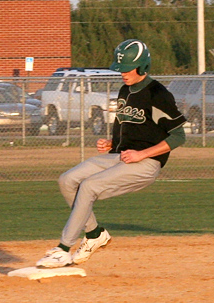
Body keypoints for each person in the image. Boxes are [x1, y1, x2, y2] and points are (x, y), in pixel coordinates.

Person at [37, 39, 187, 267]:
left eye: (128, 68)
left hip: (146, 163)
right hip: (120, 156)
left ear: (143, 67)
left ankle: (63, 248)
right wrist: (112, 143)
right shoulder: (125, 90)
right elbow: (135, 129)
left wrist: (142, 154)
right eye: (121, 69)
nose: (123, 73)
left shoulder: (158, 93)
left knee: (88, 186)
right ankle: (95, 234)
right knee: (68, 180)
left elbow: (178, 136)